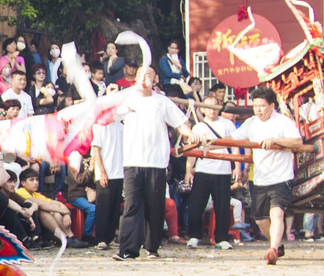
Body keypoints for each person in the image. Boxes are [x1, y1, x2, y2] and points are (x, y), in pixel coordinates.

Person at [115, 67, 201, 260]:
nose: (143, 79)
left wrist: (191, 134)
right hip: (132, 160)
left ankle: (152, 247)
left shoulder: (162, 101)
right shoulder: (127, 99)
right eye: (139, 75)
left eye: (147, 75)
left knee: (155, 206)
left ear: (154, 79)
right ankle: (127, 249)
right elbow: (110, 116)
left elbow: (180, 123)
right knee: (132, 206)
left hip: (156, 161)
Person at [233, 86, 303, 265]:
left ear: (272, 106)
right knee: (260, 220)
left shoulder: (284, 122)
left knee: (277, 214)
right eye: (255, 106)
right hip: (261, 178)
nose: (258, 110)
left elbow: (297, 141)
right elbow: (232, 138)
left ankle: (272, 249)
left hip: (281, 177)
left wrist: (275, 140)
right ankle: (277, 245)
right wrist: (206, 142)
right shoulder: (251, 123)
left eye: (262, 106)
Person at [184, 96, 241, 249]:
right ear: (202, 108)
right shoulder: (199, 127)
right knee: (196, 205)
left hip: (222, 170)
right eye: (208, 106)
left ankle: (222, 238)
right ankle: (194, 236)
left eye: (215, 106)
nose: (212, 109)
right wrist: (188, 170)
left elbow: (235, 146)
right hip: (203, 170)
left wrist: (237, 167)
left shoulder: (227, 124)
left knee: (222, 206)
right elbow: (192, 152)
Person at [16, 167, 85, 247]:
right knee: (44, 211)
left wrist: (65, 213)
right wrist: (64, 211)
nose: (36, 183)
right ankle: (64, 238)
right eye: (32, 180)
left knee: (55, 211)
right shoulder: (20, 191)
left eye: (37, 180)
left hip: (36, 223)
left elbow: (58, 203)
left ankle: (70, 237)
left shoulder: (36, 194)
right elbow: (41, 204)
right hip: (25, 223)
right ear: (23, 183)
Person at [90, 108, 123, 251]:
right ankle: (101, 238)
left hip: (119, 171)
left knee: (115, 207)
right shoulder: (98, 126)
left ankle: (109, 237)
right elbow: (96, 150)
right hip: (106, 171)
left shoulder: (121, 126)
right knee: (104, 207)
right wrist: (102, 171)